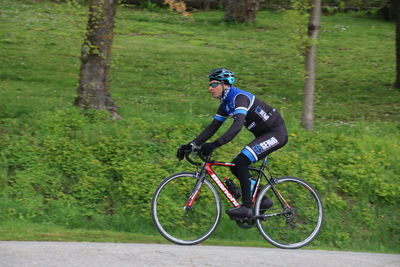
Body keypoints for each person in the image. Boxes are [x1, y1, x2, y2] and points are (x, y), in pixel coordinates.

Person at [177, 68, 288, 218]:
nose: (210, 88)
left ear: (225, 84)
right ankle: (263, 201)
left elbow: (236, 127)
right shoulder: (225, 104)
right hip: (263, 135)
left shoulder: (239, 98)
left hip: (276, 133)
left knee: (241, 162)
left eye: (214, 84)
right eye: (209, 85)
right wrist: (191, 145)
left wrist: (214, 145)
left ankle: (247, 207)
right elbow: (213, 127)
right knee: (236, 166)